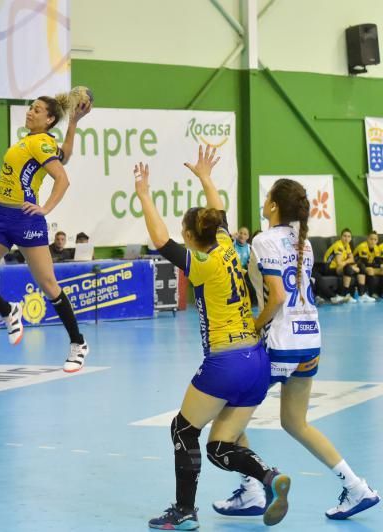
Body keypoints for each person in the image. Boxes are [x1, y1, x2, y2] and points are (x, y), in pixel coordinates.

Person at [136, 146, 290, 530]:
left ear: (189, 235)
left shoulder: (202, 264)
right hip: (257, 361)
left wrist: (143, 195)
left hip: (226, 363)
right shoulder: (225, 246)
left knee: (183, 429)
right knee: (222, 446)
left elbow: (159, 240)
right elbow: (218, 211)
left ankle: (185, 512)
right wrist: (205, 177)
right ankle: (270, 478)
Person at [213, 179, 380, 521]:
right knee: (295, 422)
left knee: (224, 414)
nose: (263, 202)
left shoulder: (264, 240)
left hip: (279, 344)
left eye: (267, 199)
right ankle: (357, 487)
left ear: (274, 205)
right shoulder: (302, 242)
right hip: (310, 341)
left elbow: (275, 296)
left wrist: (254, 327)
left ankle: (253, 488)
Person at [0, 90, 92, 371]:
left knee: (49, 285)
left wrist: (46, 209)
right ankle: (7, 309)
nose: (30, 112)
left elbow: (62, 178)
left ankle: (78, 342)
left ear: (49, 119)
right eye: (31, 107)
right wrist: (73, 123)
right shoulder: (39, 142)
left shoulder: (40, 143)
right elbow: (64, 155)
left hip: (26, 220)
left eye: (37, 110)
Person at [324, 228, 362, 304]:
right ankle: (343, 295)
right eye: (344, 236)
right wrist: (350, 265)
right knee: (348, 268)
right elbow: (339, 263)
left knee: (361, 266)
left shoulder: (347, 246)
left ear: (351, 238)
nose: (346, 238)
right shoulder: (338, 245)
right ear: (341, 237)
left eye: (348, 236)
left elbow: (352, 259)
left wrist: (350, 263)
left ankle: (361, 294)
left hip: (338, 267)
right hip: (328, 267)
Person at [352, 231, 381, 300]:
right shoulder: (363, 246)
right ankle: (371, 294)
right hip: (357, 265)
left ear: (377, 241)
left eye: (375, 240)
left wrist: (381, 265)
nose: (373, 241)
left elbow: (378, 261)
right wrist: (378, 266)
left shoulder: (376, 248)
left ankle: (380, 292)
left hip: (368, 266)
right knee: (370, 270)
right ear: (367, 239)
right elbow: (364, 262)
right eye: (371, 239)